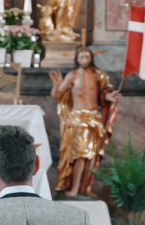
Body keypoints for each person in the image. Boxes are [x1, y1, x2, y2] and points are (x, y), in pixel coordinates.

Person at [50, 47, 120, 198]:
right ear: (76, 59)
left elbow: (103, 93)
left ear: (91, 58)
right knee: (81, 155)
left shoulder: (97, 75)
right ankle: (74, 188)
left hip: (94, 118)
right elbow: (57, 95)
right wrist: (56, 84)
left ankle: (85, 188)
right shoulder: (73, 75)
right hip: (78, 119)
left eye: (87, 57)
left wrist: (109, 98)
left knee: (92, 157)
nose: (84, 60)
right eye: (81, 57)